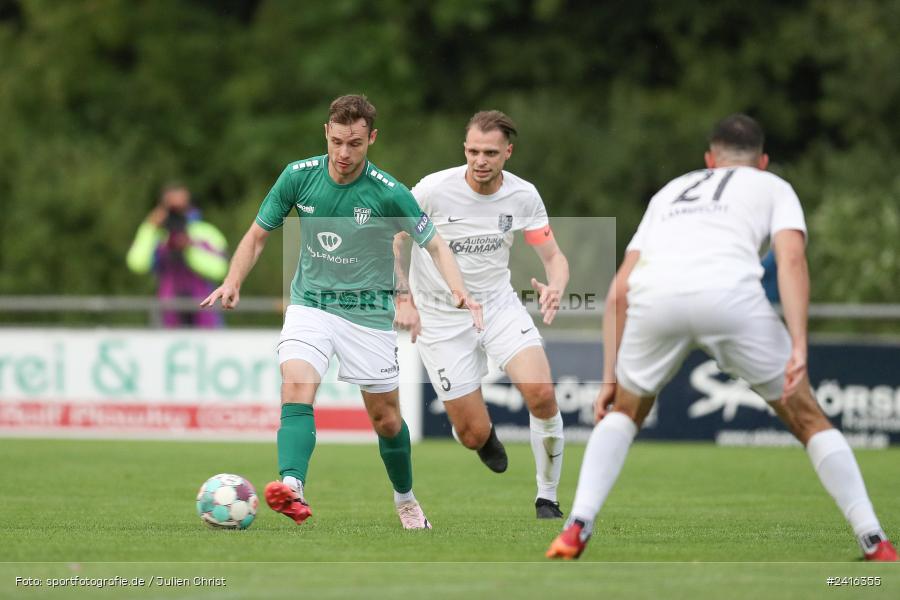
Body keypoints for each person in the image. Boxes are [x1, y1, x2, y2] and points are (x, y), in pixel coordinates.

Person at [546, 114, 897, 561]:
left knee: (625, 414)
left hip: (657, 299)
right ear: (763, 162)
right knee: (809, 419)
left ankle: (576, 527)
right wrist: (800, 345)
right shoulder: (774, 188)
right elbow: (791, 261)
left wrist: (609, 376)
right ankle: (873, 540)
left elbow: (618, 291)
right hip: (731, 299)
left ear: (710, 160)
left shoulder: (670, 191)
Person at [201, 95, 482, 530]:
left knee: (385, 419)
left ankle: (406, 499)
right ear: (326, 135)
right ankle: (292, 485)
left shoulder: (390, 193)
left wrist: (459, 290)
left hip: (367, 315)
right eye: (336, 142)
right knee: (296, 383)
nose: (344, 154)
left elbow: (435, 244)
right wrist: (233, 279)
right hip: (310, 305)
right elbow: (258, 235)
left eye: (354, 143)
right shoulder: (298, 177)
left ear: (372, 138)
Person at [394, 110, 570, 519]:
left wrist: (556, 284)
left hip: (498, 305)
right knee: (472, 434)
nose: (480, 160)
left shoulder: (524, 195)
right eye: (473, 151)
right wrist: (404, 295)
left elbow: (553, 255)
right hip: (440, 317)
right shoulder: (433, 190)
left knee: (542, 394)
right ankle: (481, 436)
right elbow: (394, 238)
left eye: (490, 152)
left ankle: (548, 498)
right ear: (465, 150)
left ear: (508, 152)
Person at [127, 183, 228, 328]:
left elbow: (221, 269)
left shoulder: (205, 232)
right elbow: (137, 264)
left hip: (205, 316)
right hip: (168, 314)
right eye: (171, 208)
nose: (177, 212)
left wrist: (189, 249)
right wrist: (149, 226)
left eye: (181, 207)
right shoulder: (156, 235)